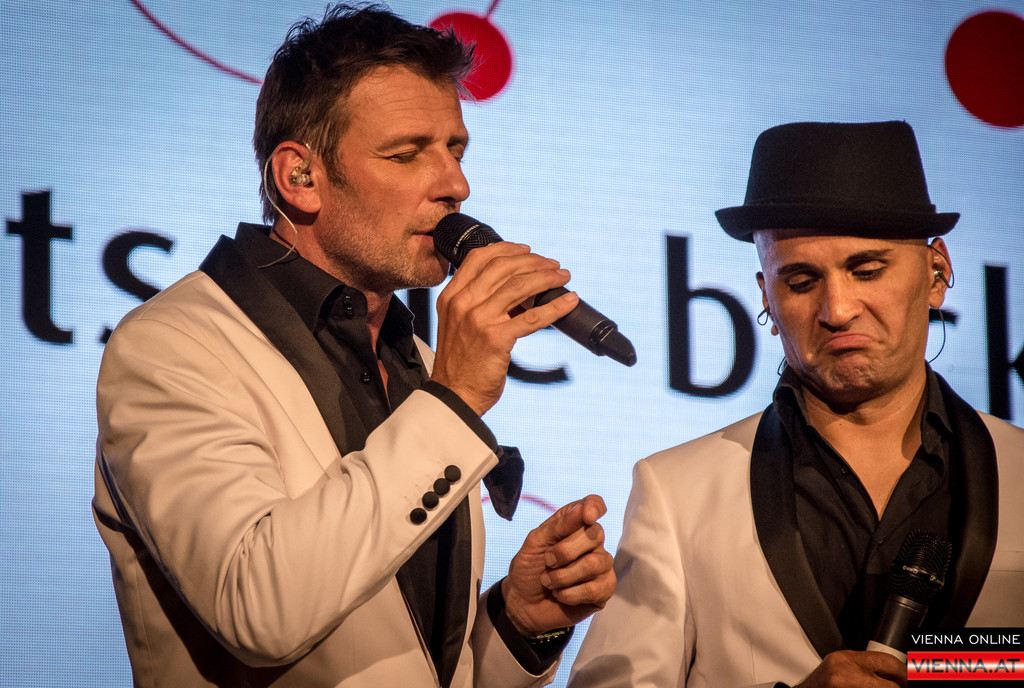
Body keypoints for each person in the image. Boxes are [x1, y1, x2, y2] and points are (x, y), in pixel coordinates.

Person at [92, 5, 615, 687]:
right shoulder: (172, 346)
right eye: (407, 154)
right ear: (299, 178)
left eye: (455, 150)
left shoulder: (415, 358)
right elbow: (257, 609)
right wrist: (456, 398)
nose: (456, 186)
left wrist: (518, 622)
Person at [569, 121, 1024, 688]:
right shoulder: (677, 491)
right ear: (766, 295)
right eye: (802, 282)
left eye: (867, 270)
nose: (837, 309)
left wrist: (941, 671)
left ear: (938, 273)